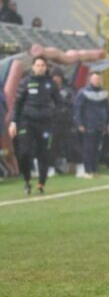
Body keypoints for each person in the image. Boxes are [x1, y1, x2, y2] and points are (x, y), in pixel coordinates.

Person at [8, 56, 60, 194]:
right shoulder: (25, 82)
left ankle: (41, 183)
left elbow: (59, 103)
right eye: (37, 65)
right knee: (24, 152)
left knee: (44, 154)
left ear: (46, 67)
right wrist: (13, 122)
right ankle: (27, 180)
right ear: (33, 67)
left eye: (43, 65)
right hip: (27, 122)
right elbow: (17, 104)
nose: (40, 67)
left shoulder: (51, 84)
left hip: (45, 123)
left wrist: (53, 117)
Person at [74, 71, 109, 178]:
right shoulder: (83, 93)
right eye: (95, 79)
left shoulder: (104, 93)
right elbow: (78, 109)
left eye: (99, 79)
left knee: (97, 148)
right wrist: (79, 124)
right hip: (88, 125)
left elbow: (108, 110)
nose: (97, 81)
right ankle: (87, 171)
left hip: (100, 125)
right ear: (90, 80)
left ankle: (94, 170)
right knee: (88, 148)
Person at [50, 71, 76, 173]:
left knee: (70, 144)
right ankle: (51, 167)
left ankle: (72, 164)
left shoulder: (68, 90)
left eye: (57, 77)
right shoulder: (47, 90)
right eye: (53, 77)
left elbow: (73, 103)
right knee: (52, 145)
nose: (55, 79)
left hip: (66, 122)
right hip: (52, 122)